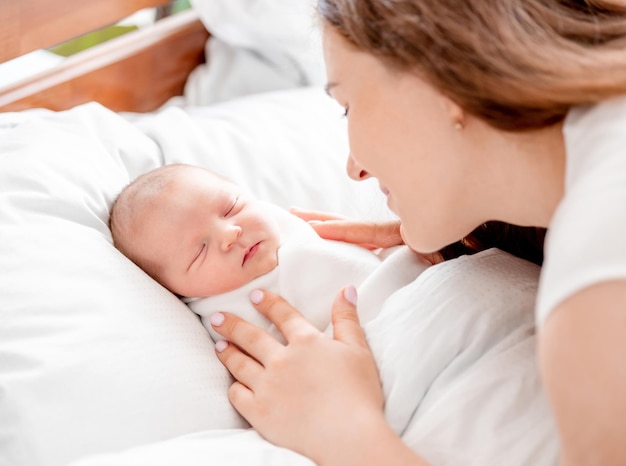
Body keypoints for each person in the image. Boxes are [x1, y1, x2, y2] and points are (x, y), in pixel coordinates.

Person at [206, 1, 626, 465]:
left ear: (443, 81)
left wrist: (347, 434)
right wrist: (479, 218)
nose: (356, 168)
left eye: (347, 107)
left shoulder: (597, 288)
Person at [108, 163, 431, 342]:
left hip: (420, 290)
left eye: (231, 208)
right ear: (176, 291)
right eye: (199, 251)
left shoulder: (289, 225)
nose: (230, 234)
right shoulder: (227, 316)